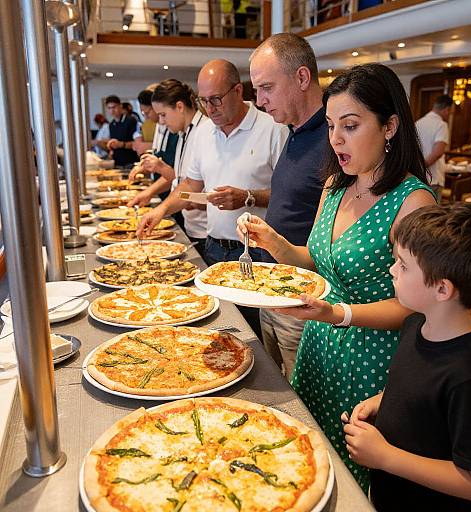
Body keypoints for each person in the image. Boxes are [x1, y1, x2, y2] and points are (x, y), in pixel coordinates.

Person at [237, 63, 436, 490]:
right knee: (308, 465)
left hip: (370, 362)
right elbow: (318, 260)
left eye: (350, 125)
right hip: (319, 346)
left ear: (390, 126)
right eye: (330, 126)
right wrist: (273, 242)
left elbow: (416, 307)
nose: (336, 139)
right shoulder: (335, 184)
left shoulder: (413, 201)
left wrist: (339, 314)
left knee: (353, 481)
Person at [344, 203, 471, 511]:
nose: (392, 270)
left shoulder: (469, 376)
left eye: (404, 266)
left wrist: (385, 457)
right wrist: (381, 401)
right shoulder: (416, 323)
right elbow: (417, 387)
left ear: (443, 289)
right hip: (389, 496)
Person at [137, 59, 288, 267]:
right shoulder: (203, 132)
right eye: (203, 101)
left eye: (216, 99)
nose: (210, 109)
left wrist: (248, 197)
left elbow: (288, 196)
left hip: (255, 250)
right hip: (214, 247)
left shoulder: (274, 129)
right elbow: (191, 185)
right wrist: (160, 210)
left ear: (237, 91)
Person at [249, 32, 327, 378]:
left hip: (303, 300)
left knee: (301, 401)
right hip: (272, 289)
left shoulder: (334, 137)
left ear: (301, 77)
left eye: (266, 87)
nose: (259, 100)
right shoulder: (294, 130)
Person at [129, 79, 208, 255]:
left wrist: (183, 201)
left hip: (206, 229)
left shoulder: (206, 131)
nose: (161, 122)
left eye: (163, 115)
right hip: (192, 224)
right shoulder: (183, 132)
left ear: (179, 106)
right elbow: (182, 180)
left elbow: (201, 189)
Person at [415, 94, 453, 201]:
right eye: (450, 112)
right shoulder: (441, 125)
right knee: (433, 215)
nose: (449, 114)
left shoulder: (418, 123)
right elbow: (438, 152)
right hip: (434, 177)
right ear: (446, 109)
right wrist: (422, 166)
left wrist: (417, 169)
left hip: (418, 178)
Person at [96, 95, 139, 167]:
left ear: (120, 106)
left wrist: (121, 144)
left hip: (131, 162)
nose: (112, 110)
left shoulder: (131, 121)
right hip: (117, 163)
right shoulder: (111, 124)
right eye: (109, 108)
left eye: (114, 107)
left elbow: (137, 143)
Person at [132, 89, 158, 155]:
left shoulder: (167, 124)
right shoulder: (146, 124)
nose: (145, 117)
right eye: (143, 113)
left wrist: (151, 146)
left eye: (147, 112)